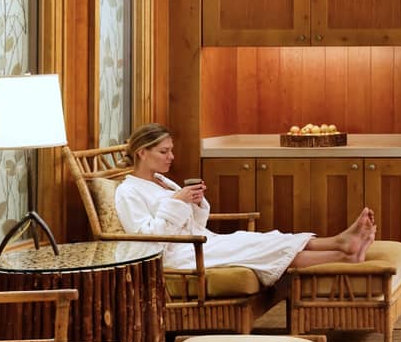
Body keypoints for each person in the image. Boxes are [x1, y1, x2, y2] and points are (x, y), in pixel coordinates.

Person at [114, 123, 375, 286]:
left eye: (171, 150)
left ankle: (340, 244)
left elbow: (195, 223)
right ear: (142, 153)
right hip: (180, 257)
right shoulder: (128, 192)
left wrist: (194, 203)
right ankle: (343, 251)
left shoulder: (162, 181)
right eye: (164, 151)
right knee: (260, 246)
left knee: (266, 240)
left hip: (200, 242)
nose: (171, 157)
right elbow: (147, 242)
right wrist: (177, 203)